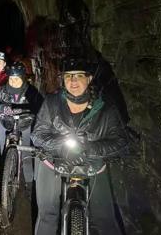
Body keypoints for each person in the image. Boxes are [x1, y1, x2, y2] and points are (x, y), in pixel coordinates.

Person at [31, 55, 128, 235]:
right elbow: (37, 134)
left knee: (105, 219)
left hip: (92, 164)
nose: (73, 80)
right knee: (47, 215)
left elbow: (121, 141)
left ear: (89, 78)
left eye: (79, 75)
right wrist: (60, 147)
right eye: (68, 76)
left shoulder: (105, 107)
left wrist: (90, 149)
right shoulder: (52, 103)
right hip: (53, 161)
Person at [0, 62, 44, 184]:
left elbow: (41, 106)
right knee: (1, 149)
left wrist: (29, 110)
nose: (14, 81)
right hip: (6, 122)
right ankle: (2, 175)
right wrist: (1, 108)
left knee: (27, 153)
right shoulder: (2, 90)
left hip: (25, 123)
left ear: (23, 78)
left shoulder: (30, 91)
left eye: (17, 79)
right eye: (11, 78)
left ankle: (30, 183)